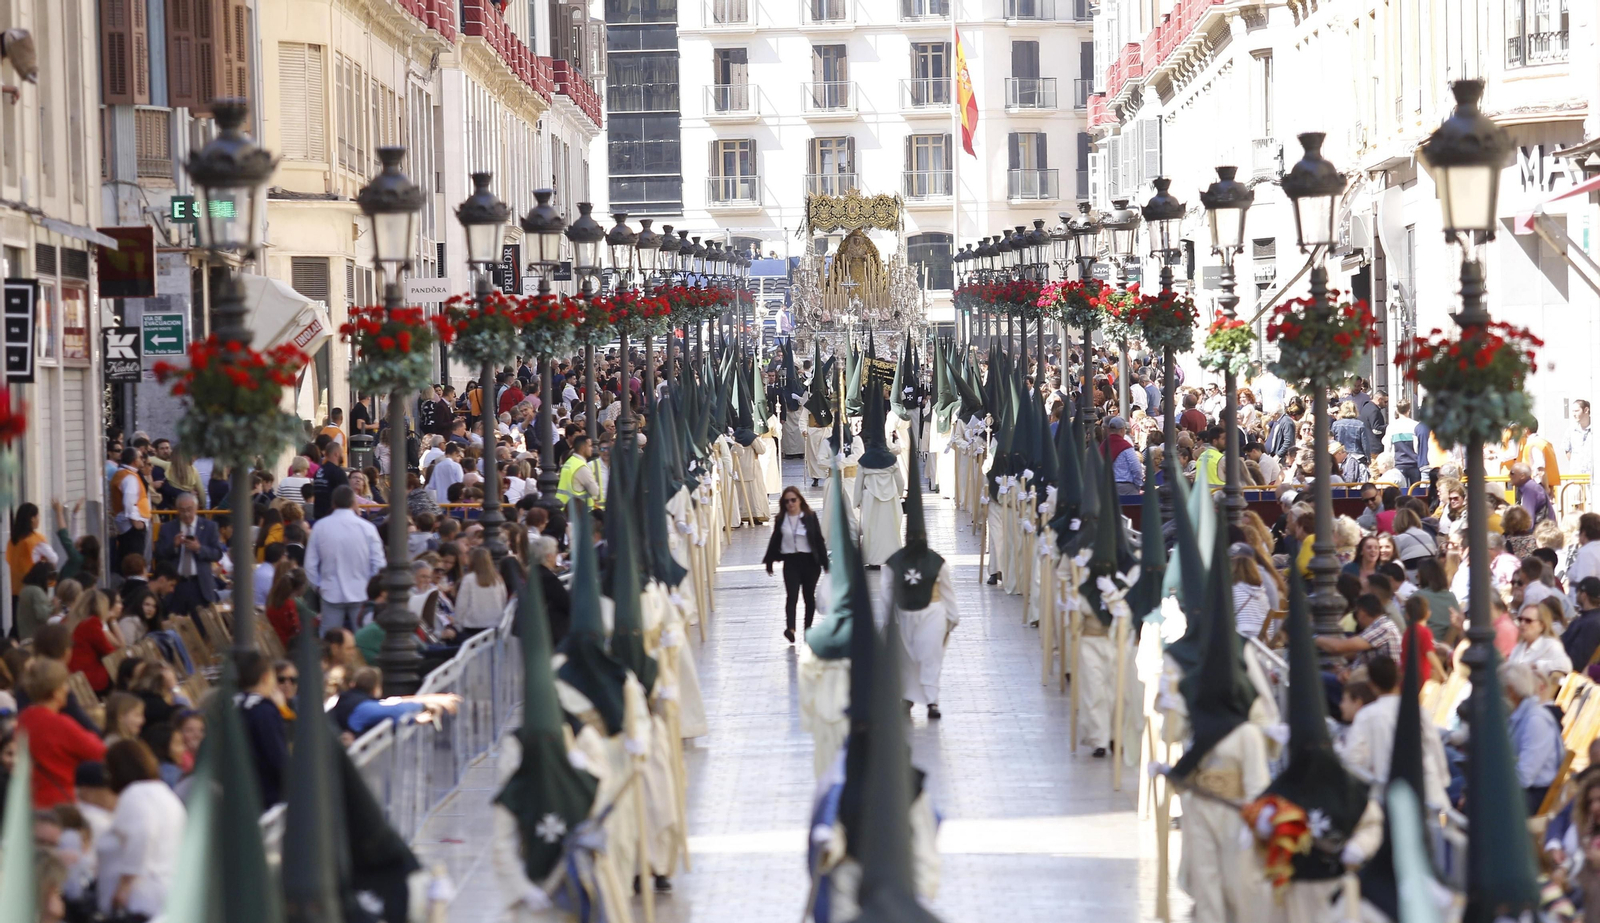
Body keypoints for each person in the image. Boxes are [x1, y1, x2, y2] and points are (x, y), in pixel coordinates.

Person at [883, 450, 958, 719]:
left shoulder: (937, 563)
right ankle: (907, 697)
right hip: (904, 614)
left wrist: (953, 616)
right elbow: (885, 594)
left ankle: (932, 700)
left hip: (932, 612)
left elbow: (947, 591)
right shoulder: (893, 564)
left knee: (929, 655)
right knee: (907, 659)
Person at [98, 739, 185, 919]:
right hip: (166, 892)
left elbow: (143, 833)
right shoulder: (165, 794)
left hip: (140, 898)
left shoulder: (135, 795)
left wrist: (125, 884)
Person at [17, 658, 106, 807]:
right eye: (64, 684)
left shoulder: (22, 720)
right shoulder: (59, 724)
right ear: (55, 691)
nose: (67, 689)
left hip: (30, 805)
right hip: (61, 804)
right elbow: (99, 751)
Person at [304, 485, 385, 631]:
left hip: (330, 591)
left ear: (333, 503)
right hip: (361, 592)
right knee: (361, 637)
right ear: (354, 502)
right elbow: (378, 563)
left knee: (330, 639)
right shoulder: (367, 528)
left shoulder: (320, 527)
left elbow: (310, 564)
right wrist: (371, 587)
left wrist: (318, 586)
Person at [764, 486, 828, 642]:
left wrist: (826, 564)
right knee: (792, 596)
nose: (790, 504)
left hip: (810, 562)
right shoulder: (781, 519)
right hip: (791, 561)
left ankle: (808, 629)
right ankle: (790, 628)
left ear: (800, 500)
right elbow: (775, 540)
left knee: (808, 597)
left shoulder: (810, 516)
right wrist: (769, 561)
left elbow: (818, 540)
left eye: (793, 500)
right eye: (787, 501)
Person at [1504, 661, 1563, 813]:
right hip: (1517, 787)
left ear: (1510, 691)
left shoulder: (1536, 720)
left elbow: (1523, 777)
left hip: (1534, 794)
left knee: (1476, 803)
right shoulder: (1515, 713)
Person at [233, 650, 289, 808]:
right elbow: (278, 758)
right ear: (265, 677)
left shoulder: (230, 708)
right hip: (269, 799)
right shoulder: (264, 711)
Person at [153, 493, 223, 615]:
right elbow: (158, 554)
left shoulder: (209, 527)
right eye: (182, 510)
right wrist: (173, 546)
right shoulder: (167, 528)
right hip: (175, 586)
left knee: (202, 626)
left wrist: (199, 548)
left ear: (196, 508)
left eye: (189, 510)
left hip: (200, 585)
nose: (186, 514)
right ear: (177, 510)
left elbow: (217, 553)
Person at [1315, 593, 1400, 670]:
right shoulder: (1381, 625)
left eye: (1356, 613)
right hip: (1366, 679)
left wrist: (1314, 638)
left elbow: (1339, 647)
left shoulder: (1382, 628)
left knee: (1321, 678)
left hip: (1374, 684)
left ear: (1362, 612)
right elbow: (1353, 653)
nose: (1356, 619)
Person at [69, 590, 126, 695]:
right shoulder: (92, 623)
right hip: (91, 678)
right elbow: (110, 652)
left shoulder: (73, 620)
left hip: (74, 674)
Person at [110, 448, 152, 567]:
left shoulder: (122, 474)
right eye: (139, 457)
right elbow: (129, 502)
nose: (141, 460)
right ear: (134, 461)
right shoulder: (130, 477)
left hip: (125, 524)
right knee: (134, 560)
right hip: (132, 527)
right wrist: (135, 521)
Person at [454, 546, 508, 635]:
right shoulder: (497, 579)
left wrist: (458, 625)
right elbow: (503, 600)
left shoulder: (468, 579)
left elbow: (461, 605)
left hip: (473, 627)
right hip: (495, 625)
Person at [7, 501, 59, 595]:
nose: (39, 519)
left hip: (13, 589)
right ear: (32, 519)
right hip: (32, 589)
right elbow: (54, 558)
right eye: (38, 516)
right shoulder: (36, 539)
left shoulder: (12, 541)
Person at [1509, 602, 1574, 675]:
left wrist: (1538, 665)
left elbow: (1566, 665)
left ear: (1542, 625)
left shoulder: (1550, 644)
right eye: (1520, 619)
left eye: (1528, 621)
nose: (1522, 624)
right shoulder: (1520, 646)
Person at [1562, 577, 1600, 671]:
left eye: (1577, 591)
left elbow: (1576, 661)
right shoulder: (1587, 619)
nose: (1576, 595)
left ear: (1583, 595)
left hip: (1566, 675)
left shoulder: (1591, 624)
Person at [311, 441, 351, 521]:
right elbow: (348, 495)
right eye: (342, 453)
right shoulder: (338, 472)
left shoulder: (319, 471)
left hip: (318, 516)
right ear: (336, 454)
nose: (343, 456)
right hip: (334, 517)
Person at [1103, 416, 1143, 494]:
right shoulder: (1126, 447)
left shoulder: (1103, 446)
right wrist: (1138, 485)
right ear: (1122, 430)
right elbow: (1136, 468)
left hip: (1107, 488)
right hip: (1126, 488)